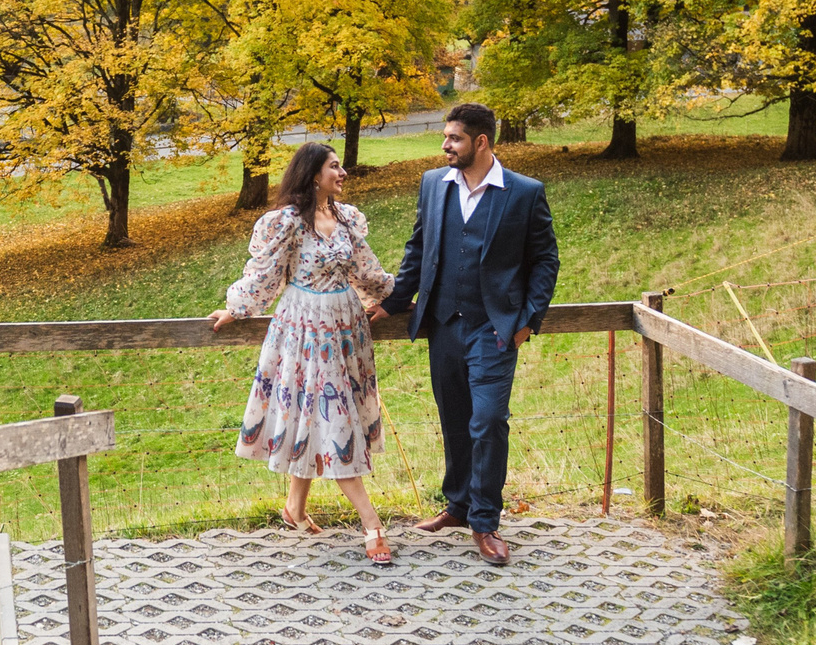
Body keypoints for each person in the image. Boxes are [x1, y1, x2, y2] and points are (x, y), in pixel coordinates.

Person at [379, 103, 561, 566]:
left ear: (481, 142)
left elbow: (545, 260)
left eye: (454, 139)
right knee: (456, 419)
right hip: (442, 325)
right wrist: (393, 304)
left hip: (494, 329)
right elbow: (418, 249)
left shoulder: (523, 192)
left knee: (488, 421)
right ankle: (457, 507)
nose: (444, 146)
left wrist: (527, 320)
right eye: (444, 137)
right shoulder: (432, 185)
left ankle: (485, 520)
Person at [208, 142, 399, 566]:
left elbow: (367, 272)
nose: (343, 172)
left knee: (316, 415)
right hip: (304, 328)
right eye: (335, 166)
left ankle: (294, 508)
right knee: (335, 418)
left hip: (346, 327)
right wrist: (237, 308)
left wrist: (401, 298)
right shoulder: (286, 223)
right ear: (314, 174)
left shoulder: (348, 220)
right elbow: (264, 275)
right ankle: (372, 523)